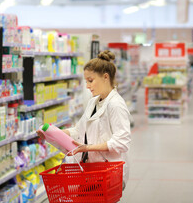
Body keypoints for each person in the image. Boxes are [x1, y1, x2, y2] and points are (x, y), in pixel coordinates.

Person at [37, 50, 131, 189]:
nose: (87, 86)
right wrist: (52, 133)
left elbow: (122, 142)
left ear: (105, 77)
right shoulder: (94, 102)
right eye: (86, 81)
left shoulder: (116, 104)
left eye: (90, 80)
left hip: (108, 173)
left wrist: (88, 148)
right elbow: (78, 131)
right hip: (91, 172)